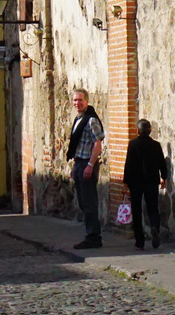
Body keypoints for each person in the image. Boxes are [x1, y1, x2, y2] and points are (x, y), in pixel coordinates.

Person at [122, 118, 170, 249]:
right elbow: (161, 162)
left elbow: (128, 164)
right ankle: (154, 227)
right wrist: (164, 177)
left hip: (136, 182)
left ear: (137, 130)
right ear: (150, 131)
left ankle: (139, 241)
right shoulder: (155, 145)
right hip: (151, 181)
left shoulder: (133, 144)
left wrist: (125, 182)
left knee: (136, 211)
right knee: (153, 208)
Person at [67, 88, 105, 249]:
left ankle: (93, 237)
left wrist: (90, 165)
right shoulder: (78, 119)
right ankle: (91, 234)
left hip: (87, 163)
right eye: (75, 100)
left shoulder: (91, 120)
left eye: (80, 100)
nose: (77, 103)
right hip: (79, 162)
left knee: (89, 202)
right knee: (83, 202)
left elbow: (98, 144)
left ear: (87, 101)